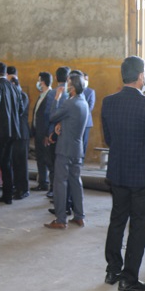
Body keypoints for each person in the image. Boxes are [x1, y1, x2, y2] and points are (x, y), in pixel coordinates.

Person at [101, 57, 145, 291]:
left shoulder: (109, 102)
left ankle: (112, 270)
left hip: (118, 173)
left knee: (117, 220)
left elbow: (109, 138)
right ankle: (129, 278)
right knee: (139, 226)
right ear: (140, 76)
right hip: (143, 177)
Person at [44, 73, 88, 229]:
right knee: (76, 183)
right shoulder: (83, 102)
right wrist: (62, 124)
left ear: (73, 87)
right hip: (77, 149)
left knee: (60, 184)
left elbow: (52, 116)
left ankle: (60, 219)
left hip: (64, 150)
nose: (66, 86)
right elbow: (72, 120)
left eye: (68, 83)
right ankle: (79, 216)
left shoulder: (69, 103)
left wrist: (56, 98)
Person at [0, 61, 21, 205]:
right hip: (13, 131)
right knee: (6, 163)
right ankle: (8, 196)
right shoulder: (14, 87)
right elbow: (21, 109)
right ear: (6, 73)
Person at [44, 66, 70, 200]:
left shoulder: (52, 93)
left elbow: (48, 115)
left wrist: (48, 134)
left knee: (53, 163)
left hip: (53, 133)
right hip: (67, 134)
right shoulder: (72, 93)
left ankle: (53, 189)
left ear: (55, 77)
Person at [31, 72, 53, 192]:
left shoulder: (50, 95)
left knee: (47, 159)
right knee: (40, 158)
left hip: (45, 134)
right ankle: (42, 183)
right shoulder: (41, 95)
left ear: (43, 82)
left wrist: (47, 134)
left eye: (39, 81)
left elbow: (50, 117)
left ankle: (51, 185)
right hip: (38, 132)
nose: (38, 83)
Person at [9, 75, 30, 200]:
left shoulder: (22, 96)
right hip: (15, 134)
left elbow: (18, 112)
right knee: (16, 163)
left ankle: (24, 189)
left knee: (22, 163)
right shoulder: (15, 96)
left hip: (22, 134)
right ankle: (17, 188)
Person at [80, 71, 95, 157]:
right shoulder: (75, 90)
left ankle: (81, 160)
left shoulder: (90, 92)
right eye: (84, 79)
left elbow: (90, 107)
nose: (85, 81)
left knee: (84, 142)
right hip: (75, 121)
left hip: (86, 122)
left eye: (87, 79)